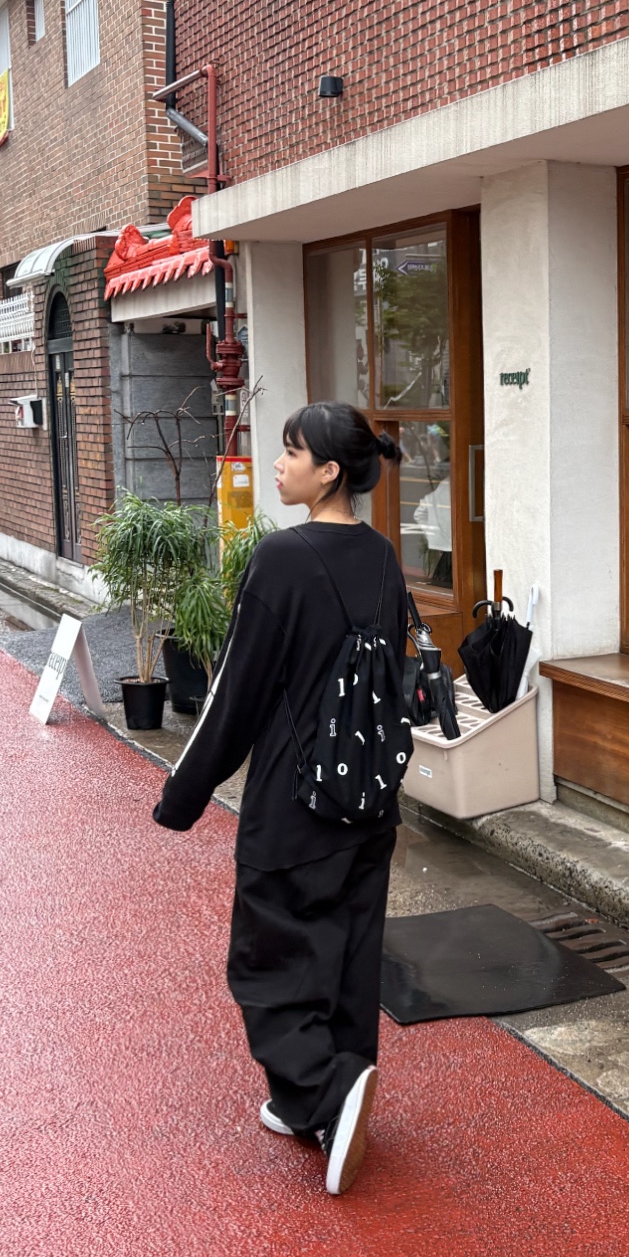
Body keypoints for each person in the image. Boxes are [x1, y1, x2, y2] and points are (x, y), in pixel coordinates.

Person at [152, 402, 409, 1197]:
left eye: (292, 451)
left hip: (295, 803)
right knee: (347, 948)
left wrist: (181, 795)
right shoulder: (383, 556)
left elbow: (235, 694)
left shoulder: (282, 560)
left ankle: (322, 1094)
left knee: (267, 956)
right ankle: (336, 1095)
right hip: (369, 797)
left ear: (329, 470)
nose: (279, 461)